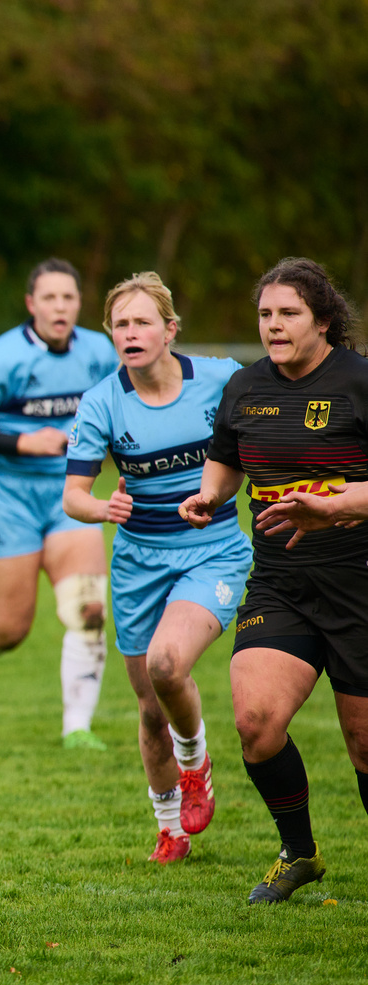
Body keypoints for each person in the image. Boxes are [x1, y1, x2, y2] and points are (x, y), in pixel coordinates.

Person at [180, 257, 368, 904]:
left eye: (289, 313)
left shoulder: (358, 383)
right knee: (257, 722)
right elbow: (227, 463)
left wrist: (335, 508)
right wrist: (207, 498)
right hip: (282, 582)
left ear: (322, 320)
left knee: (364, 743)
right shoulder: (245, 388)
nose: (274, 325)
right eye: (265, 314)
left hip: (358, 582)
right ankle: (299, 851)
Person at [63, 273, 249, 863]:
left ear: (170, 330)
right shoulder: (102, 401)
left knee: (168, 665)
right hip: (139, 562)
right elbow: (75, 496)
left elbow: (252, 451)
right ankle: (170, 827)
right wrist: (103, 507)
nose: (131, 332)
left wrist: (220, 493)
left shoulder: (221, 380)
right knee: (148, 705)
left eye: (143, 322)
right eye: (120, 324)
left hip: (213, 550)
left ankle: (195, 762)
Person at [0, 259, 119, 747]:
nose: (60, 307)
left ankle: (76, 727)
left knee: (90, 610)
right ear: (31, 304)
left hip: (68, 496)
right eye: (50, 298)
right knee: (10, 629)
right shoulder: (4, 356)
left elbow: (123, 405)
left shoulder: (100, 351)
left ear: (80, 305)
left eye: (69, 298)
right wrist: (21, 443)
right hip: (5, 500)